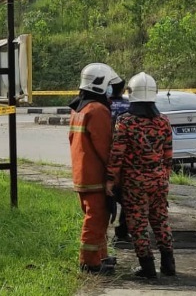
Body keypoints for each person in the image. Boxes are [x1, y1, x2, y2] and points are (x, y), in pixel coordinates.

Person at [106, 72, 175, 279]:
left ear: (131, 94)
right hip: (159, 182)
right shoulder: (164, 121)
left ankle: (147, 268)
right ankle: (168, 265)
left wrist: (110, 179)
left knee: (138, 225)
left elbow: (117, 155)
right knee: (161, 221)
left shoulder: (126, 122)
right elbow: (168, 156)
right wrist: (163, 178)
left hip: (135, 184)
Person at [69, 63, 118, 274]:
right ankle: (89, 263)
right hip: (96, 177)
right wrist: (113, 176)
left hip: (82, 174)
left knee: (98, 219)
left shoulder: (79, 108)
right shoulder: (97, 110)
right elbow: (105, 147)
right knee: (96, 219)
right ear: (100, 84)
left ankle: (101, 257)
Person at [108, 76, 131, 242]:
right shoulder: (129, 105)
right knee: (126, 198)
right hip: (126, 157)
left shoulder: (103, 105)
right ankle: (122, 233)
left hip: (107, 154)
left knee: (107, 196)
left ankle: (102, 232)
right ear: (123, 89)